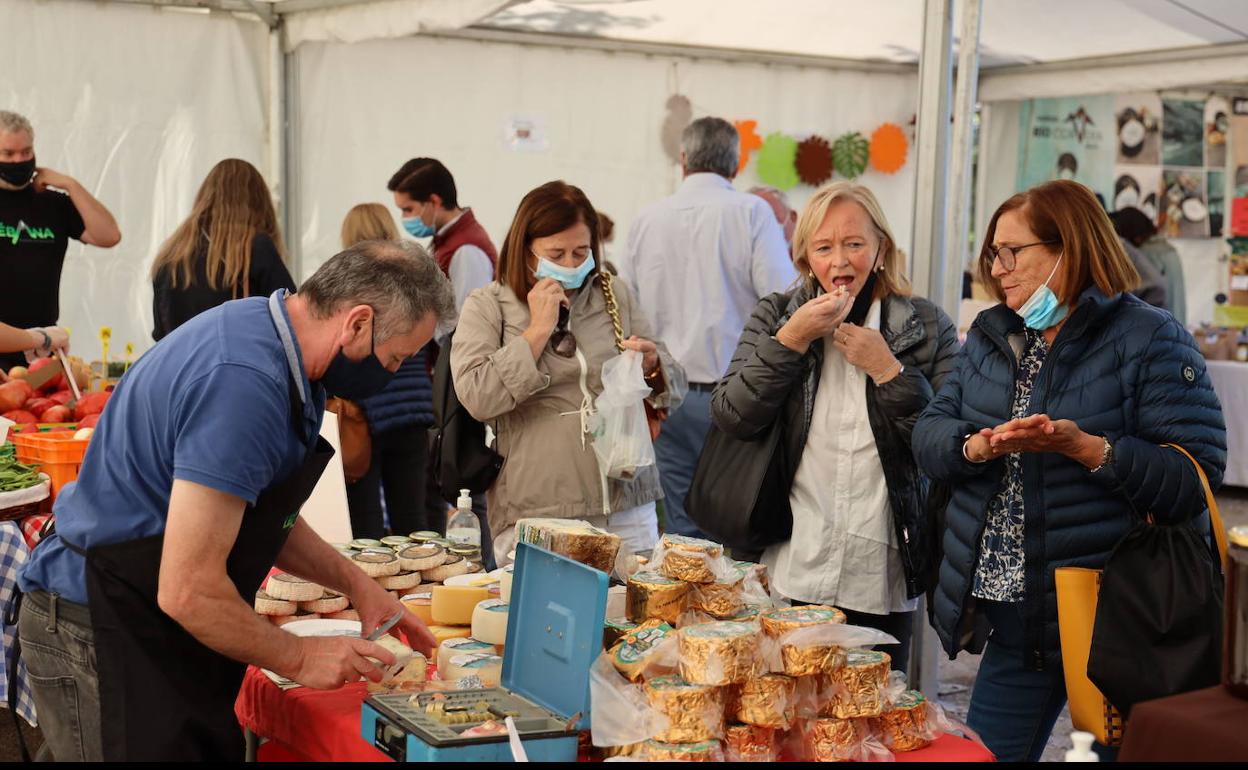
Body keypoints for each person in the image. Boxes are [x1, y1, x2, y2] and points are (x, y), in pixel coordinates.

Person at [18, 241, 453, 761]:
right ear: (357, 323)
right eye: (396, 357)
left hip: (147, 617)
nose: (392, 372)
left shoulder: (284, 342)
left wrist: (360, 587)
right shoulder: (244, 382)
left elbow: (264, 517)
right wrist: (299, 656)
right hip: (102, 622)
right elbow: (188, 591)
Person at [913, 180, 1226, 762]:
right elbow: (929, 435)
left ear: (1069, 248)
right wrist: (975, 447)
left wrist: (1092, 451)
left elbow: (1194, 477)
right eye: (993, 255)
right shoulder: (991, 335)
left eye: (1014, 252)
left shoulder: (1151, 338)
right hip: (1017, 620)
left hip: (1119, 616)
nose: (999, 269)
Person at [711, 182, 959, 670]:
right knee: (789, 712)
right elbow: (732, 413)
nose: (840, 262)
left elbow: (947, 444)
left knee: (869, 717)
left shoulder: (925, 326)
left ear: (881, 249)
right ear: (805, 257)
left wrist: (890, 371)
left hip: (881, 565)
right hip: (792, 556)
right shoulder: (777, 315)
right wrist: (791, 340)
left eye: (855, 244)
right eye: (824, 247)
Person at [452, 181, 685, 565]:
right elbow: (477, 396)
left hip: (626, 501)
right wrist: (536, 333)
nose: (572, 264)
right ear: (525, 249)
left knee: (634, 619)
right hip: (538, 509)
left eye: (581, 252)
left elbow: (672, 387)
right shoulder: (489, 304)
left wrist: (653, 366)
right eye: (556, 254)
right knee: (545, 622)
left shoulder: (615, 294)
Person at [621, 116, 796, 538]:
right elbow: (786, 300)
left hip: (665, 393)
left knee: (682, 528)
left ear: (683, 159)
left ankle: (683, 602)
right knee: (737, 520)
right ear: (735, 165)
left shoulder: (646, 219)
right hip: (736, 396)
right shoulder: (752, 213)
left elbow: (626, 307)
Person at [339, 204, 436, 538]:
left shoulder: (347, 286)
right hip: (414, 410)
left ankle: (374, 586)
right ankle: (420, 585)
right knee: (411, 516)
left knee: (366, 518)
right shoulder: (413, 281)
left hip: (370, 412)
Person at [0, 110, 120, 372]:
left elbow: (108, 236)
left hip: (41, 344)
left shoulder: (52, 203)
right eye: (8, 154)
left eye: (26, 152)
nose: (19, 160)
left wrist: (70, 185)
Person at [150, 158, 295, 341]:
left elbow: (160, 335)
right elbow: (292, 317)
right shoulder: (255, 248)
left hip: (180, 367)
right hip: (237, 366)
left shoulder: (170, 256)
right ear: (259, 201)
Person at [389, 158, 496, 316]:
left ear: (434, 201)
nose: (404, 218)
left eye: (408, 209)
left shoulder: (467, 250)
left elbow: (468, 322)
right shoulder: (445, 238)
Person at [1111, 206, 1186, 324]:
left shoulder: (1146, 253)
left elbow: (1151, 291)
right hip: (1176, 322)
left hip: (1162, 324)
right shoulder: (1167, 248)